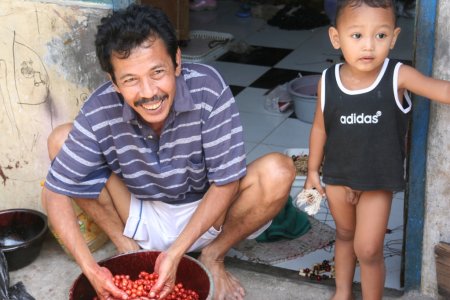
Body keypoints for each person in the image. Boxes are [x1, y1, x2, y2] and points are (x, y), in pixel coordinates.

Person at [41, 4, 295, 300]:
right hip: (139, 211)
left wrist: (176, 252)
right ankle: (126, 247)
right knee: (61, 140)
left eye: (157, 72)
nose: (149, 92)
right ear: (113, 81)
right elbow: (55, 191)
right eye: (130, 80)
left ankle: (213, 256)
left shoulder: (208, 88)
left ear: (177, 62)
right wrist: (90, 268)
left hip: (207, 214)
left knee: (279, 170)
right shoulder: (100, 108)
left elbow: (226, 182)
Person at [304, 0, 450, 299]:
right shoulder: (328, 81)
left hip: (376, 181)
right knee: (344, 235)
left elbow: (443, 91)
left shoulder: (397, 75)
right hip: (338, 177)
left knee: (368, 249)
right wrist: (311, 171)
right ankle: (342, 292)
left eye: (380, 36)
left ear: (394, 38)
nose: (369, 46)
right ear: (336, 38)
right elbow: (320, 127)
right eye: (357, 35)